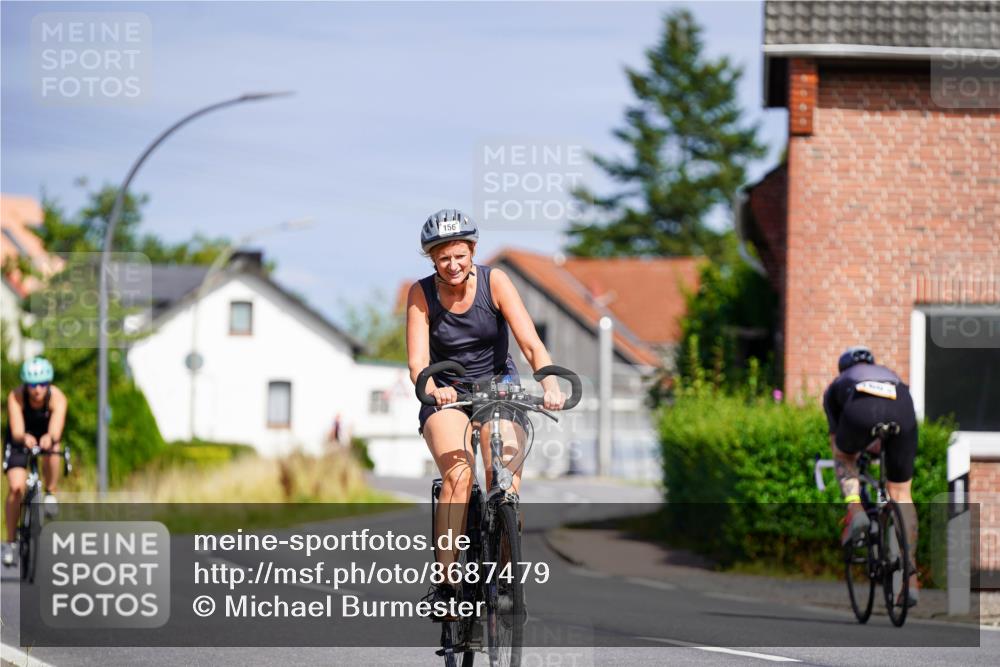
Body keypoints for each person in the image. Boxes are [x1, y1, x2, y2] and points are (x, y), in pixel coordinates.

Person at [406, 209, 565, 615]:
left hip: (499, 387)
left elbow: (530, 343)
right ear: (432, 260)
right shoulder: (420, 294)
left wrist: (548, 382)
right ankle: (446, 584)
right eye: (443, 258)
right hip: (448, 392)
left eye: (459, 255)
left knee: (505, 482)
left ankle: (506, 580)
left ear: (472, 250)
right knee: (458, 476)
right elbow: (417, 365)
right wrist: (432, 390)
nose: (453, 265)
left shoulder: (496, 281)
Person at [822, 345, 919, 606]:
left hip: (860, 409)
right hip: (903, 405)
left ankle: (856, 511)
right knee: (901, 493)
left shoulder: (838, 385)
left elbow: (839, 440)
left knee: (843, 457)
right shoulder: (889, 374)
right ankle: (911, 572)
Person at [3, 357, 68, 566]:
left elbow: (56, 429)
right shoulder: (16, 396)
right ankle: (11, 543)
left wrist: (50, 437)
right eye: (32, 384)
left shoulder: (58, 398)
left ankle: (50, 492)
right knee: (16, 488)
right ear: (25, 384)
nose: (37, 389)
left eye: (42, 384)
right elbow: (17, 430)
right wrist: (24, 438)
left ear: (48, 383)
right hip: (20, 438)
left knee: (54, 448)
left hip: (46, 436)